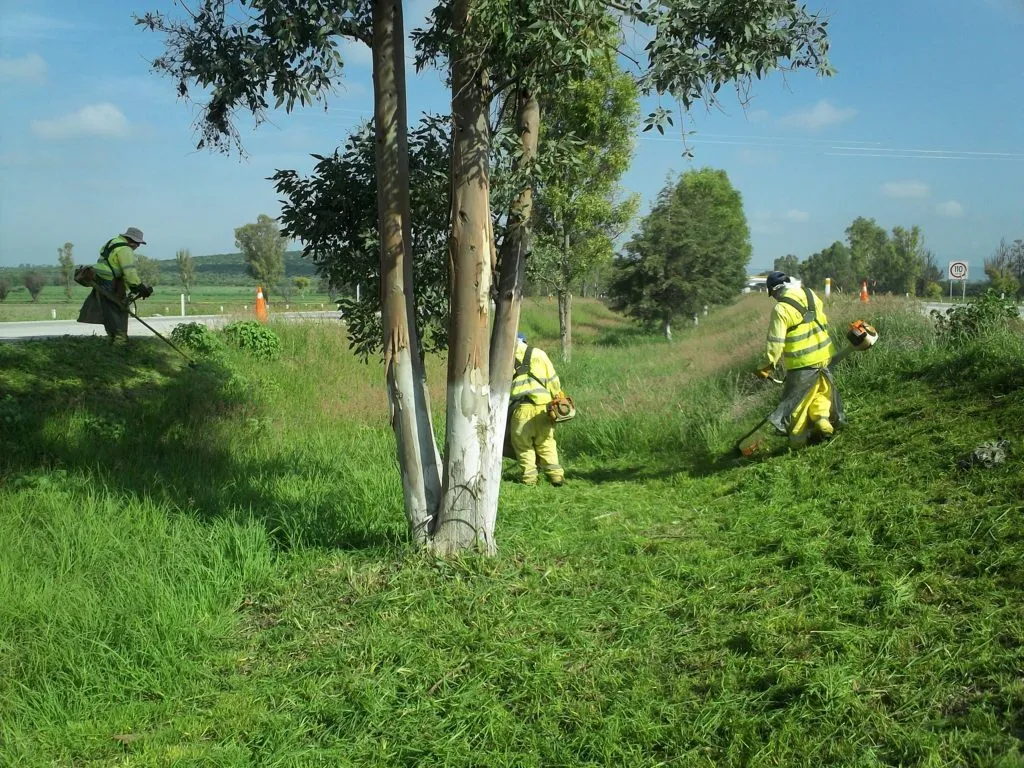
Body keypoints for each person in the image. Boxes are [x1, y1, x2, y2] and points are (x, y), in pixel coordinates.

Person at [756, 271, 845, 447]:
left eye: (772, 294)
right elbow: (822, 320)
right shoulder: (810, 294)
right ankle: (822, 421)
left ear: (774, 291)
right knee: (821, 393)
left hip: (802, 363)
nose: (774, 298)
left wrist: (767, 365)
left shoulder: (781, 309)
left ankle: (797, 442)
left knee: (797, 404)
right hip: (825, 355)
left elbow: (776, 342)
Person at [77, 227, 153, 344]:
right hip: (109, 281)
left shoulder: (113, 242)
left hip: (100, 278)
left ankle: (111, 338)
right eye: (137, 243)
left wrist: (134, 287)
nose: (137, 246)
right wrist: (139, 287)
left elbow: (116, 267)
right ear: (131, 240)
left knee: (108, 311)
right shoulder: (125, 250)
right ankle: (120, 341)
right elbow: (129, 272)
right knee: (119, 310)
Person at [509, 332, 565, 487]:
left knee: (523, 446)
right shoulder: (540, 354)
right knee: (546, 443)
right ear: (525, 342)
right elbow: (554, 381)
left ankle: (529, 480)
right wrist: (558, 397)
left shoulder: (505, 356)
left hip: (521, 409)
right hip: (544, 409)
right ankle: (557, 478)